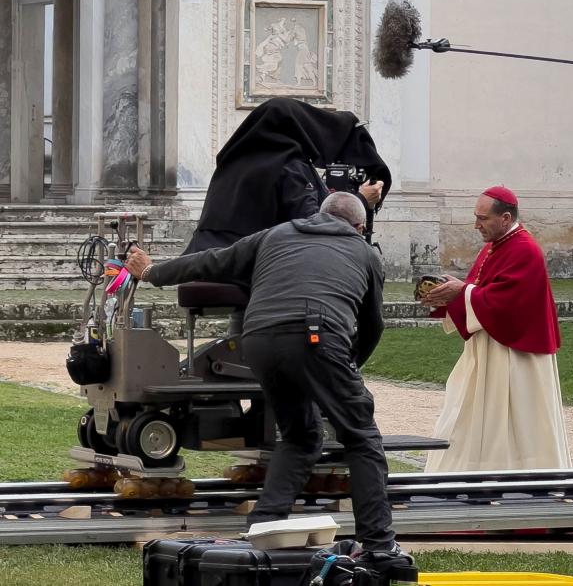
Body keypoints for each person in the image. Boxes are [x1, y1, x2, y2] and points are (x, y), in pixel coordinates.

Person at [124, 192, 402, 556]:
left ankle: (263, 529)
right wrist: (349, 368)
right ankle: (380, 545)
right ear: (360, 227)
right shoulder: (365, 253)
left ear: (319, 214)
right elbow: (372, 325)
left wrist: (151, 272)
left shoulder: (276, 234)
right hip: (317, 334)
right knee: (361, 435)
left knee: (299, 437)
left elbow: (212, 261)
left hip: (258, 340)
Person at [420, 186, 571, 472]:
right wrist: (449, 293)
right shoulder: (494, 246)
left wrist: (462, 292)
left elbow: (506, 302)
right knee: (472, 415)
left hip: (516, 357)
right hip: (490, 348)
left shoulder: (525, 250)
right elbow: (480, 290)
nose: (476, 225)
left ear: (505, 217)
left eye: (482, 218)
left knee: (519, 421)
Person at [184, 97, 389, 254]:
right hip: (250, 266)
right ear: (299, 130)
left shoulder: (233, 162)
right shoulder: (289, 166)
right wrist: (360, 200)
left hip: (204, 258)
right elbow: (314, 225)